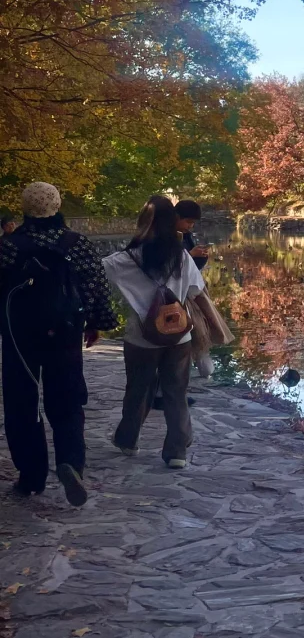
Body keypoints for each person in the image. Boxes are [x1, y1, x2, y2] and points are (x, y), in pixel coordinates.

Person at [0, 182, 117, 505]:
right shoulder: (77, 244)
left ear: (25, 208)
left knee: (21, 405)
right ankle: (70, 462)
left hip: (19, 336)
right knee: (67, 401)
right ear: (57, 204)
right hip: (64, 333)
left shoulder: (9, 246)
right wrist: (97, 324)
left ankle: (31, 477)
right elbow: (95, 286)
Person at [103, 196, 205, 468]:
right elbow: (196, 290)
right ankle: (176, 452)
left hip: (141, 337)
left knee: (138, 388)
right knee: (176, 391)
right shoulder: (182, 255)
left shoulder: (125, 259)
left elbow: (99, 274)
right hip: (178, 335)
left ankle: (128, 440)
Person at [174, 199, 210, 271]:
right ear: (176, 217)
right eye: (188, 222)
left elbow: (194, 267)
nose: (190, 226)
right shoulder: (164, 237)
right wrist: (191, 254)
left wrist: (201, 256)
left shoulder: (187, 236)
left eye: (193, 223)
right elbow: (169, 264)